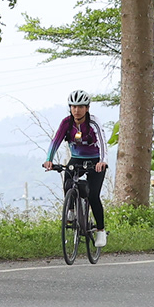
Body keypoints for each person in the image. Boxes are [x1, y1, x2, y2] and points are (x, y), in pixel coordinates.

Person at [44, 89, 109, 247]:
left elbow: (102, 142)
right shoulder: (67, 122)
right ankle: (71, 211)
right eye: (73, 107)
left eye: (80, 107)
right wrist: (49, 160)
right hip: (77, 159)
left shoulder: (93, 122)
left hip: (95, 160)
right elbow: (56, 141)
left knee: (93, 196)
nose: (76, 110)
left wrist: (103, 161)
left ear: (87, 108)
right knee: (68, 180)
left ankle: (100, 231)